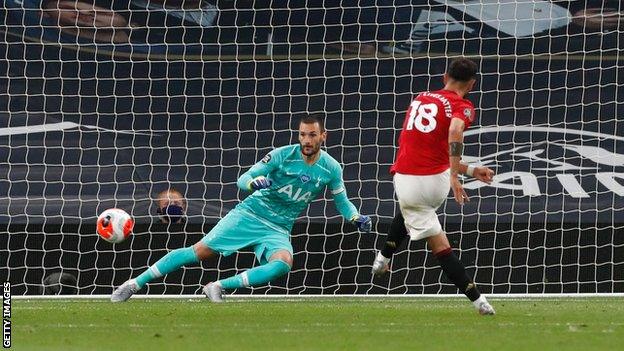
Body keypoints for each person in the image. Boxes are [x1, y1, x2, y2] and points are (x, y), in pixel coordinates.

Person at [112, 115, 372, 302]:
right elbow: (243, 179)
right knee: (198, 252)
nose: (306, 139)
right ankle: (134, 284)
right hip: (250, 214)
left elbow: (342, 201)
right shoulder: (282, 155)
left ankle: (218, 286)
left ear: (322, 136)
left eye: (312, 135)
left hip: (280, 227)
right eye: (303, 134)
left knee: (283, 263)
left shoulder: (331, 168)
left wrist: (355, 216)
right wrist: (253, 182)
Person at [371, 58, 496, 315]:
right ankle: (479, 301)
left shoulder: (420, 98)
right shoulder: (463, 105)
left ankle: (382, 260)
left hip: (405, 179)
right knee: (440, 246)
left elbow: (434, 150)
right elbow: (456, 129)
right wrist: (453, 175)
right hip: (432, 183)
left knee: (412, 210)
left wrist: (471, 170)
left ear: (444, 76)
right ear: (471, 84)